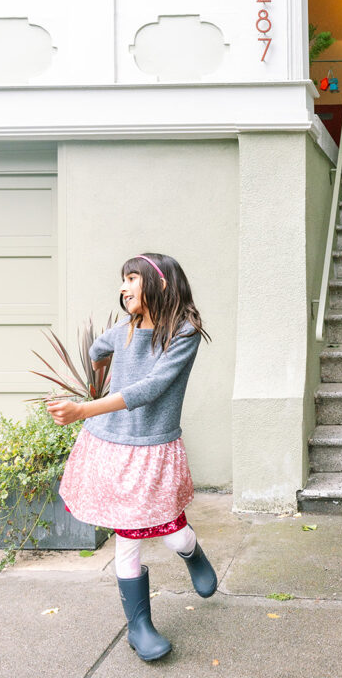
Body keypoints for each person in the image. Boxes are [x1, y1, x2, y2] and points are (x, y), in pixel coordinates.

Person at [47, 253, 216, 662]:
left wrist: (84, 409)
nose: (123, 288)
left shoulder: (184, 333)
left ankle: (191, 552)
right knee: (127, 532)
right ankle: (139, 627)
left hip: (153, 446)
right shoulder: (125, 329)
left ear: (158, 284)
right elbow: (98, 348)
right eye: (122, 280)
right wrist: (101, 359)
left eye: (131, 279)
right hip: (111, 443)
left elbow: (151, 387)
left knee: (172, 532)